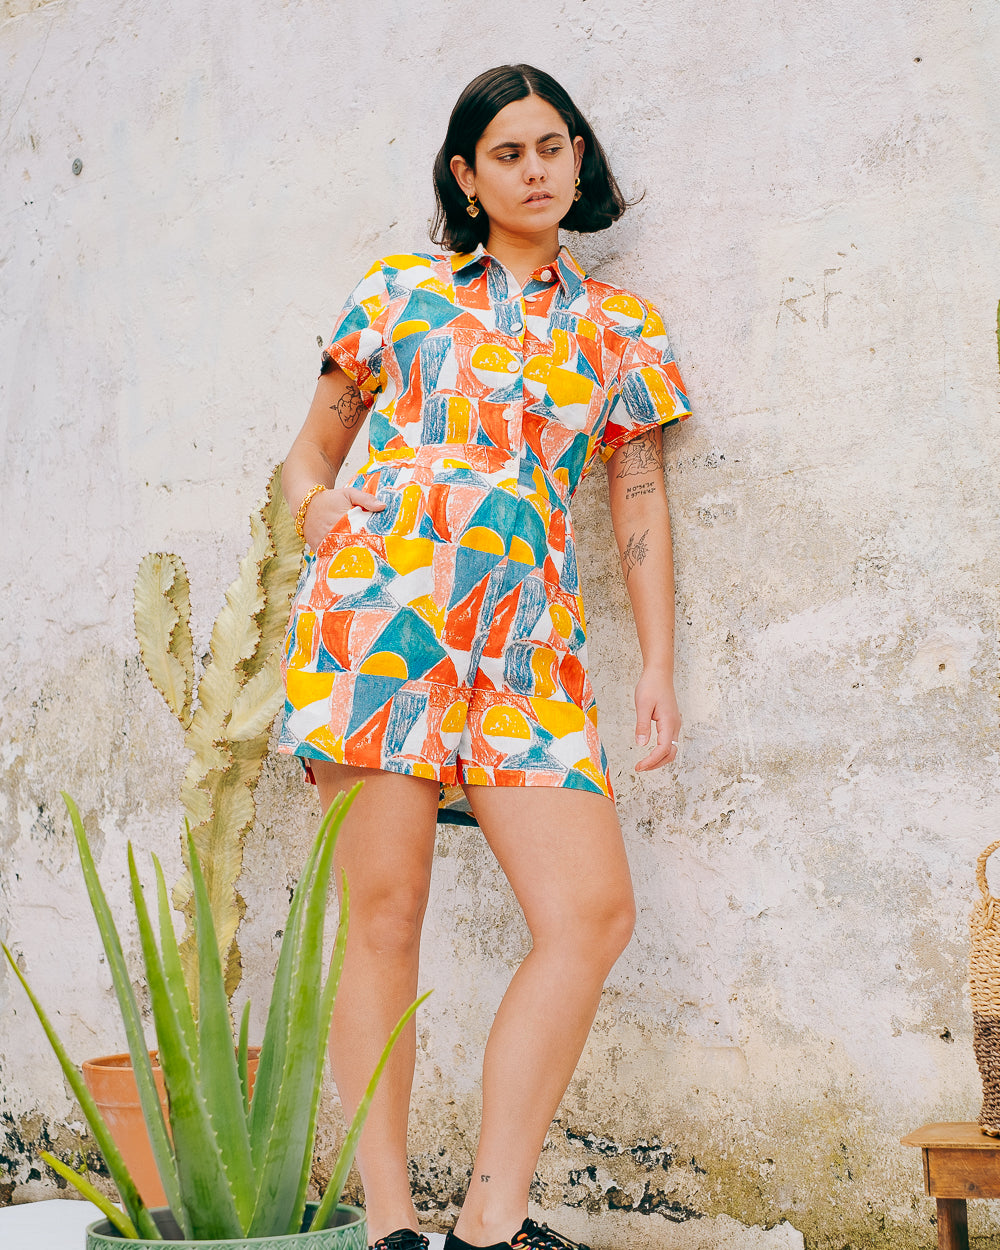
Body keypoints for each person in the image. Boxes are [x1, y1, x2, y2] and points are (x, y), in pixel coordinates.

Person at [279, 63, 691, 1250]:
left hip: (527, 647)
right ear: (466, 176)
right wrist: (320, 518)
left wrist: (655, 664)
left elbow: (637, 493)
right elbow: (307, 456)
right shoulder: (397, 293)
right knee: (385, 912)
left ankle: (488, 1220)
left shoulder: (620, 328)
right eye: (507, 153)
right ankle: (390, 1225)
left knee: (590, 913)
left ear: (578, 156)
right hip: (379, 626)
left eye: (551, 146)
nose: (535, 170)